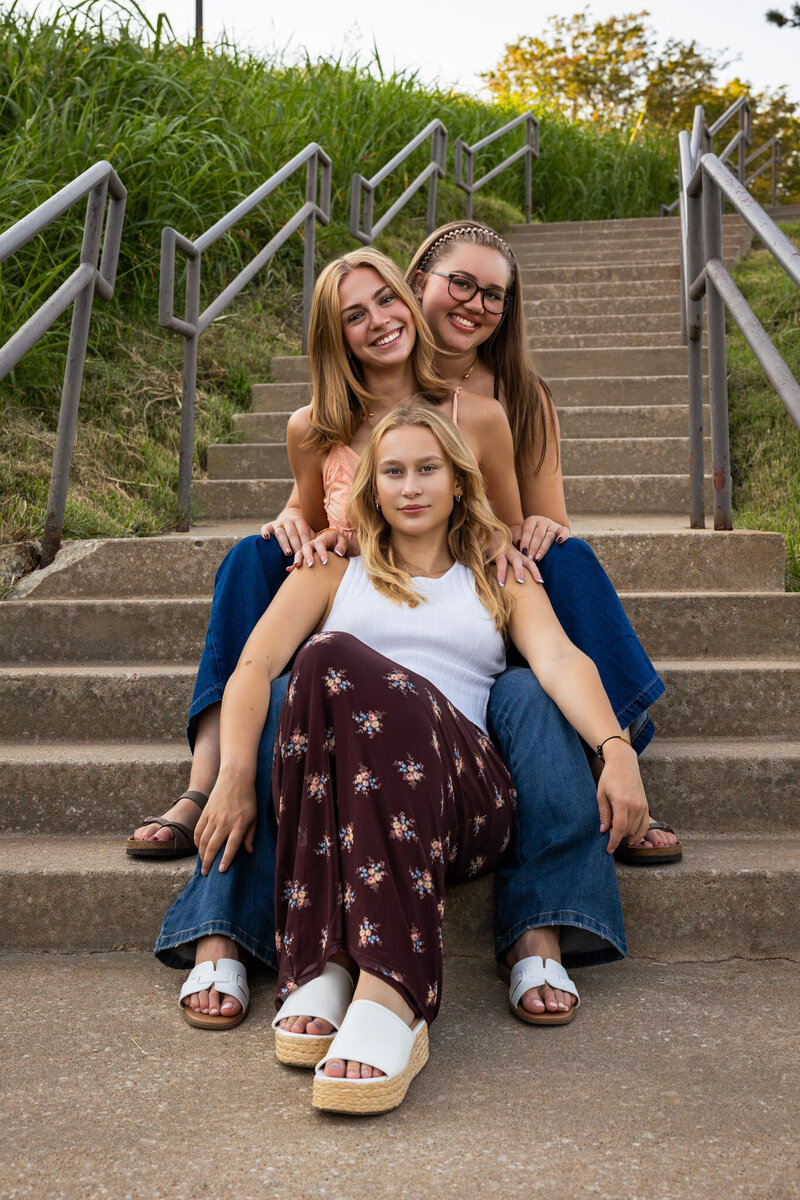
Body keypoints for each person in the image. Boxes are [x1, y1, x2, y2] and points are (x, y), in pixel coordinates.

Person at [144, 236, 670, 1028]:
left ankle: (506, 932)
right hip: (344, 666)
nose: (379, 320)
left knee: (538, 660)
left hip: (458, 738)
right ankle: (243, 902)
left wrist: (614, 746)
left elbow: (538, 591)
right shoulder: (318, 448)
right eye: (391, 471)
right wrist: (299, 524)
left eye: (384, 300)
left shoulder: (484, 416)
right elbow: (293, 537)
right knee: (269, 613)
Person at [199, 399, 645, 1114]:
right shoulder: (333, 570)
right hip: (346, 810)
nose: (411, 487)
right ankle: (329, 959)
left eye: (428, 470)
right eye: (395, 471)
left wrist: (616, 748)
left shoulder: (499, 574)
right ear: (372, 488)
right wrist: (232, 778)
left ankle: (393, 991)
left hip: (463, 799)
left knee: (335, 656)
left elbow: (559, 660)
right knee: (313, 666)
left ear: (460, 483)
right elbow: (252, 667)